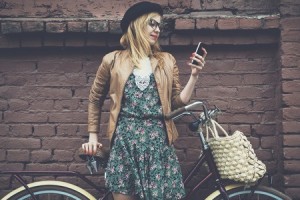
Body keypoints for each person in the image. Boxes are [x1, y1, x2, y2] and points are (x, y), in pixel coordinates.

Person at [82, 1, 207, 200]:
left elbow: (177, 101)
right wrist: (93, 137)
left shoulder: (166, 60)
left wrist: (194, 75)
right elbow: (95, 98)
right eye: (152, 23)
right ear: (137, 24)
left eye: (159, 25)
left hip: (158, 146)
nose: (157, 29)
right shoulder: (112, 60)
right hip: (125, 144)